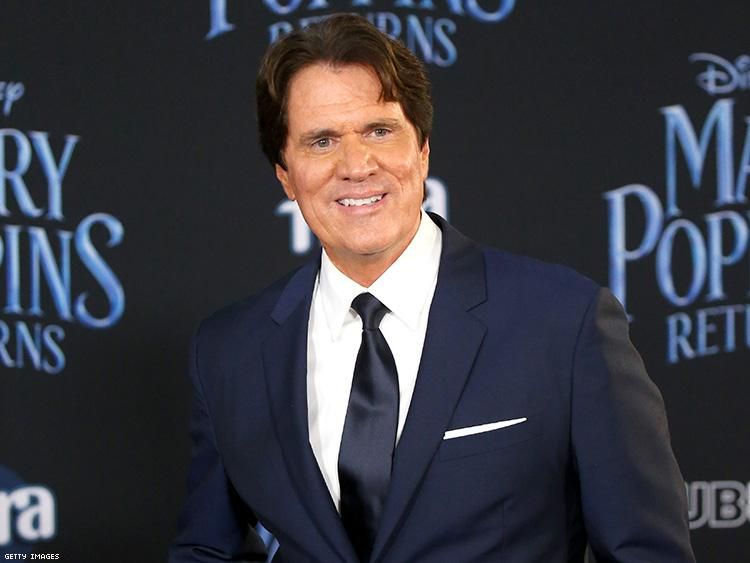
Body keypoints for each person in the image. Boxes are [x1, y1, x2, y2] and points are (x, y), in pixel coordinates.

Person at [169, 14, 695, 563]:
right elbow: (206, 549)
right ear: (285, 175)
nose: (356, 166)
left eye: (379, 131)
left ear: (422, 149)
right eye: (322, 141)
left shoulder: (563, 322)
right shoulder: (228, 351)